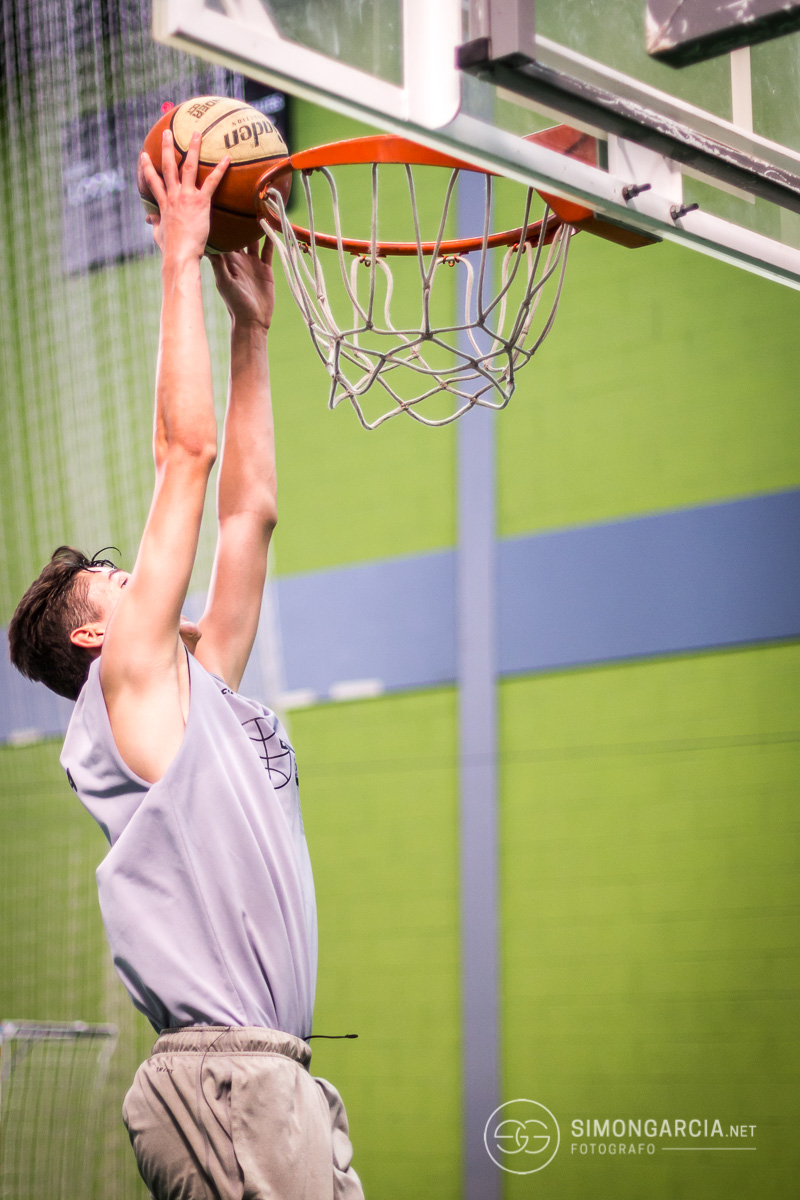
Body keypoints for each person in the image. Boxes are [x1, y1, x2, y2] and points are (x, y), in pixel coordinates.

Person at [7, 128, 363, 1200]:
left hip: (273, 1078)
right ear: (90, 636)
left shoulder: (201, 697)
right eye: (113, 577)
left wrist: (251, 333)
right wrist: (177, 258)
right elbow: (187, 458)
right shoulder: (131, 686)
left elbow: (247, 516)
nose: (136, 575)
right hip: (221, 1079)